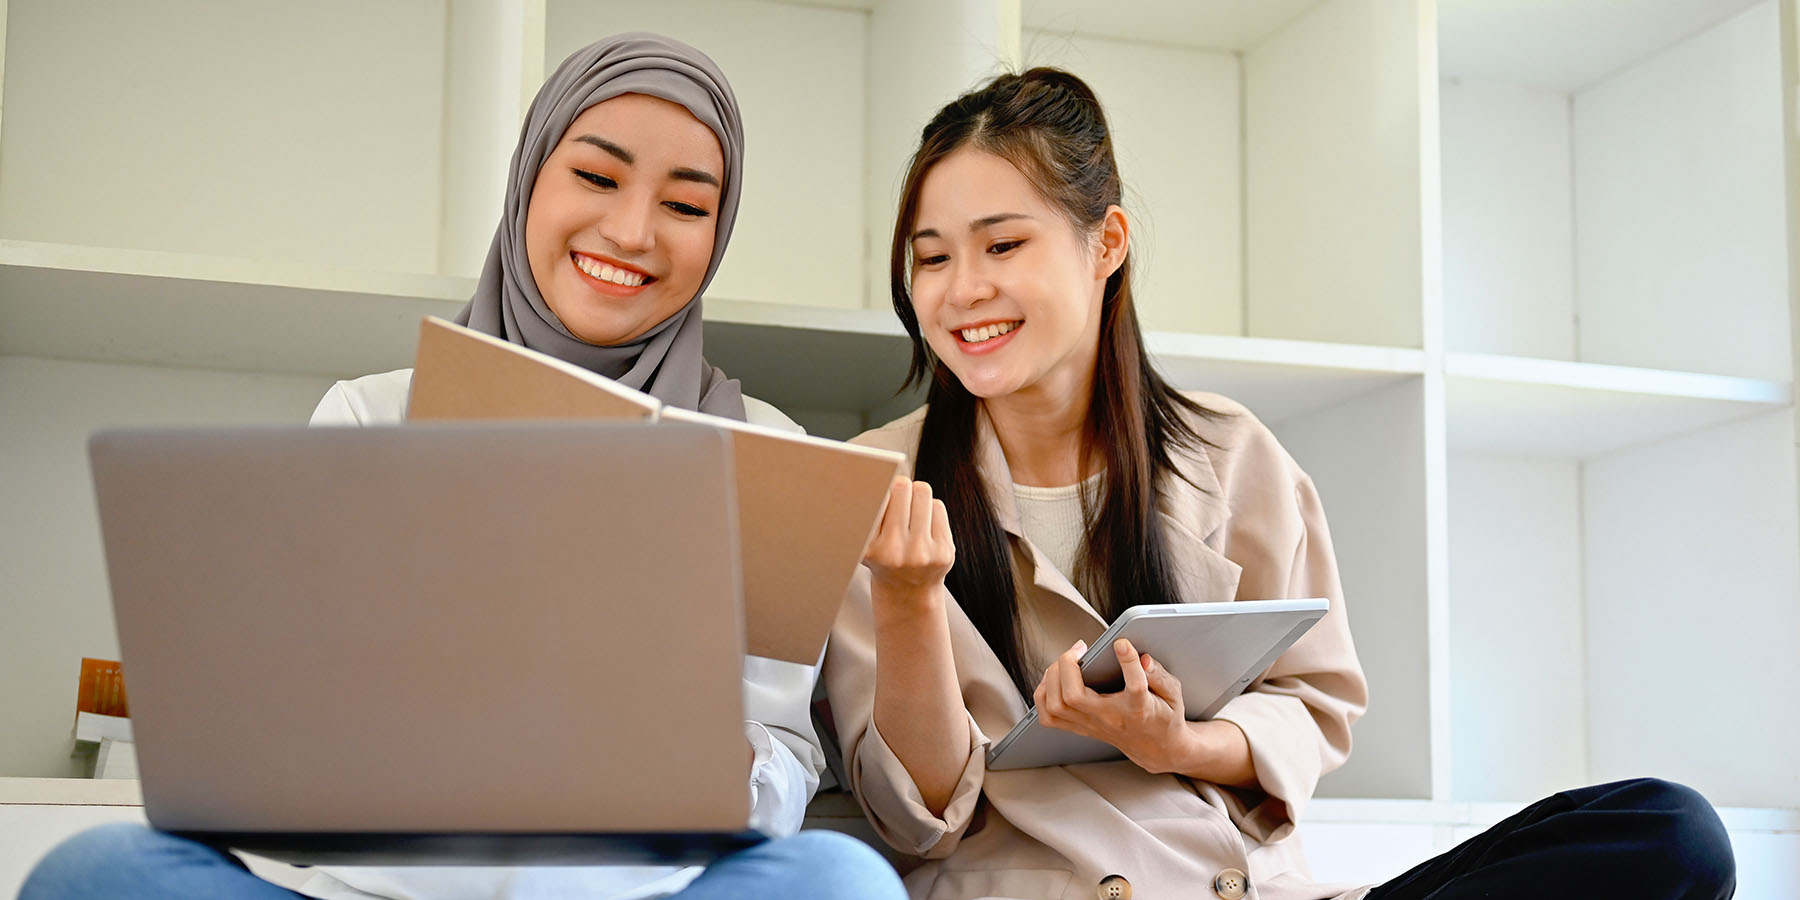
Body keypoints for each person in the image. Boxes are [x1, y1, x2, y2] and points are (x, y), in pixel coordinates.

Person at [22, 33, 903, 900]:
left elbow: (785, 758)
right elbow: (280, 730)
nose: (632, 231)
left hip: (632, 894)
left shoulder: (768, 450)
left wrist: (727, 761)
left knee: (841, 880)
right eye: (595, 177)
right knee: (97, 873)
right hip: (368, 890)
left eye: (685, 205)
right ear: (527, 181)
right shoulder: (370, 415)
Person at [822, 67, 1737, 900]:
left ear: (1107, 245)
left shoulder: (1231, 455)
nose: (961, 290)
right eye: (933, 257)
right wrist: (907, 599)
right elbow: (915, 817)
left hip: (1251, 891)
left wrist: (1177, 744)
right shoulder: (870, 487)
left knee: (1671, 831)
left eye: (1002, 245)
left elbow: (1313, 705)